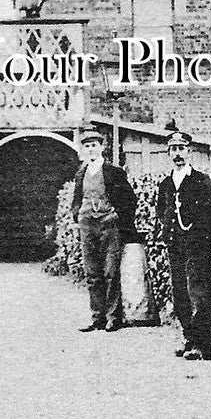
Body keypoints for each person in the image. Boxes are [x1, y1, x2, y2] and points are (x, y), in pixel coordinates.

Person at [156, 129, 211, 361]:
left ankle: (204, 345)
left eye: (181, 149)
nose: (178, 154)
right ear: (168, 153)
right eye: (173, 150)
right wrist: (166, 232)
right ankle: (189, 339)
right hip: (175, 245)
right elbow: (161, 212)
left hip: (197, 247)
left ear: (189, 152)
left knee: (199, 293)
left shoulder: (201, 181)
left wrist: (202, 235)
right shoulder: (165, 184)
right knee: (180, 294)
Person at [70, 128, 137, 333]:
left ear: (102, 147)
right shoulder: (81, 173)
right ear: (83, 149)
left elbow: (129, 200)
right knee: (92, 272)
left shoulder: (113, 171)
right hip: (87, 226)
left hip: (109, 226)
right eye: (87, 146)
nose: (91, 149)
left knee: (110, 271)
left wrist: (117, 216)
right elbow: (76, 199)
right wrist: (78, 215)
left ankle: (113, 317)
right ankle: (97, 316)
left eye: (94, 145)